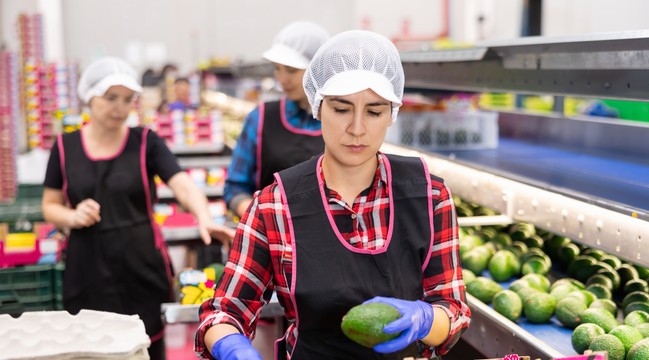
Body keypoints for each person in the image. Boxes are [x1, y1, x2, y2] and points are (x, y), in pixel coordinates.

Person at [196, 30, 471, 360]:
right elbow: (224, 313)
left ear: (391, 115)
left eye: (374, 111)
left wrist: (426, 321)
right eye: (342, 109)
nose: (357, 128)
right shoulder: (274, 206)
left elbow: (453, 309)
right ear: (318, 107)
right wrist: (231, 345)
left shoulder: (429, 197)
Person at [41, 57, 236, 360]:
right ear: (88, 97)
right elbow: (50, 205)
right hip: (87, 268)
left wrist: (205, 217)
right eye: (110, 98)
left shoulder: (146, 142)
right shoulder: (65, 147)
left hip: (140, 267)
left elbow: (183, 184)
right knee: (91, 349)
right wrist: (72, 216)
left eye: (127, 99)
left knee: (145, 348)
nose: (120, 107)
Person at [224, 21, 330, 218]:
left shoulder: (339, 122)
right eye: (277, 69)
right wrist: (260, 219)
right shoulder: (261, 118)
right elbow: (235, 187)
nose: (282, 79)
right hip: (270, 240)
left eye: (291, 70)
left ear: (318, 71)